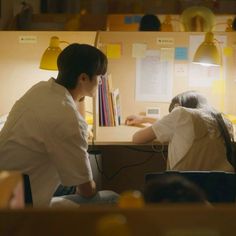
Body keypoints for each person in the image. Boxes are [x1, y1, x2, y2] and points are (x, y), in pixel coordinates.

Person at [0, 43, 119, 207]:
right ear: (83, 78)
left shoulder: (39, 89)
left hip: (7, 191)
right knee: (111, 197)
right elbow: (86, 190)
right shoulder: (67, 118)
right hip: (24, 206)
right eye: (99, 77)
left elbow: (71, 112)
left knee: (69, 180)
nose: (99, 83)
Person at [125, 91, 235, 171]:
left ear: (178, 106)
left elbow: (137, 138)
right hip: (221, 191)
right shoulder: (223, 120)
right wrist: (144, 119)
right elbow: (172, 124)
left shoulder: (181, 114)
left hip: (184, 189)